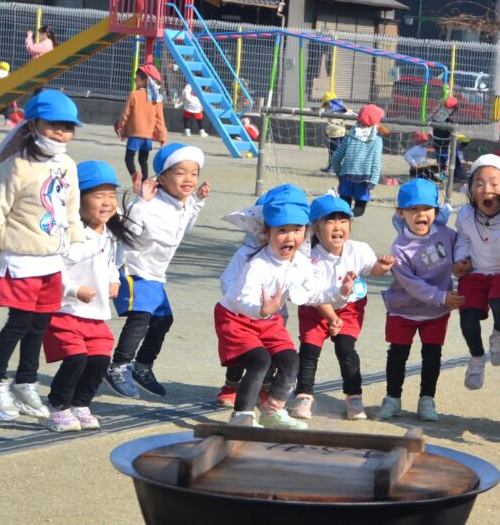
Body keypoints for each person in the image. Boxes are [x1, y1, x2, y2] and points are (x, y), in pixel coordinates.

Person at [0, 90, 85, 421]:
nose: (61, 133)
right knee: (19, 324)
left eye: (67, 127)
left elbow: (71, 212)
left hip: (52, 262)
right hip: (20, 260)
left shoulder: (68, 165)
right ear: (33, 125)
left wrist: (78, 243)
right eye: (53, 125)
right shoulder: (15, 167)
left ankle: (25, 382)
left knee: (39, 326)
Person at [106, 144, 210, 399]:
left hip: (155, 273)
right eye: (180, 173)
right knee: (141, 317)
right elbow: (127, 232)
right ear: (162, 177)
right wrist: (140, 202)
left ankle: (142, 366)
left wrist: (197, 201)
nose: (189, 179)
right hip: (133, 269)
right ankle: (118, 366)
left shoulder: (182, 203)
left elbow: (184, 225)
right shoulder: (149, 203)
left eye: (194, 173)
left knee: (164, 319)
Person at [41, 161, 134, 432]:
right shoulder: (71, 235)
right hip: (65, 311)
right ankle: (57, 406)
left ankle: (81, 404)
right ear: (76, 200)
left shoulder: (107, 234)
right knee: (77, 358)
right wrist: (75, 290)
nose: (107, 202)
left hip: (94, 313)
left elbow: (109, 265)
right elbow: (53, 272)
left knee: (99, 360)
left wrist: (114, 280)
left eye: (111, 195)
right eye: (97, 195)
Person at [292, 193, 394, 421]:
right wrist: (330, 318)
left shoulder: (359, 249)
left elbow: (371, 269)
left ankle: (354, 397)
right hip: (316, 309)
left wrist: (382, 267)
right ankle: (304, 396)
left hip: (349, 307)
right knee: (309, 352)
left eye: (343, 220)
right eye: (330, 220)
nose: (338, 226)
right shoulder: (308, 257)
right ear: (315, 229)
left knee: (345, 349)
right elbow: (314, 295)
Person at [215, 196, 315, 429]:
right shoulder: (256, 263)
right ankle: (242, 415)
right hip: (237, 317)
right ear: (267, 232)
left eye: (297, 230)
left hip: (268, 318)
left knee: (291, 360)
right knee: (260, 360)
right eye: (282, 230)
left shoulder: (301, 262)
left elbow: (313, 291)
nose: (290, 237)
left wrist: (341, 291)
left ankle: (273, 411)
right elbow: (241, 299)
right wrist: (261, 310)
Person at [379, 178, 463, 422]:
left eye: (426, 209)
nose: (420, 214)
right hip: (403, 309)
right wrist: (442, 296)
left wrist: (463, 262)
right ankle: (392, 398)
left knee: (432, 354)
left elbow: (462, 249)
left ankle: (427, 399)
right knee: (398, 354)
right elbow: (412, 285)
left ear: (435, 212)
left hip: (435, 312)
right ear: (400, 213)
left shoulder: (447, 234)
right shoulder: (399, 247)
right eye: (412, 209)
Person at [452, 155, 500, 391]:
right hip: (476, 271)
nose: (487, 190)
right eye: (479, 184)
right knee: (467, 316)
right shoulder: (465, 215)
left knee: (498, 301)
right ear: (470, 190)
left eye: (494, 184)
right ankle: (476, 357)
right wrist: (461, 259)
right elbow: (463, 238)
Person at [116, 65, 167, 189]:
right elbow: (160, 119)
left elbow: (125, 115)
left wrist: (121, 129)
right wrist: (162, 136)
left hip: (134, 134)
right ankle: (145, 184)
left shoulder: (134, 95)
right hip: (147, 136)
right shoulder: (157, 98)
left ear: (144, 80)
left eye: (136, 78)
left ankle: (134, 175)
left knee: (129, 159)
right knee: (143, 161)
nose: (135, 80)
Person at [331, 104, 384, 217]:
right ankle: (349, 215)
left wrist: (339, 173)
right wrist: (374, 180)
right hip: (363, 179)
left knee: (344, 205)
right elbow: (376, 162)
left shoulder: (350, 136)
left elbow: (335, 158)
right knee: (360, 208)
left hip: (346, 177)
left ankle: (342, 217)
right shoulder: (376, 140)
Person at [431, 96, 459, 176]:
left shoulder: (442, 111)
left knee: (442, 155)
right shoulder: (443, 113)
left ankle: (445, 171)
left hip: (442, 139)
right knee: (442, 156)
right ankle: (443, 172)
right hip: (441, 139)